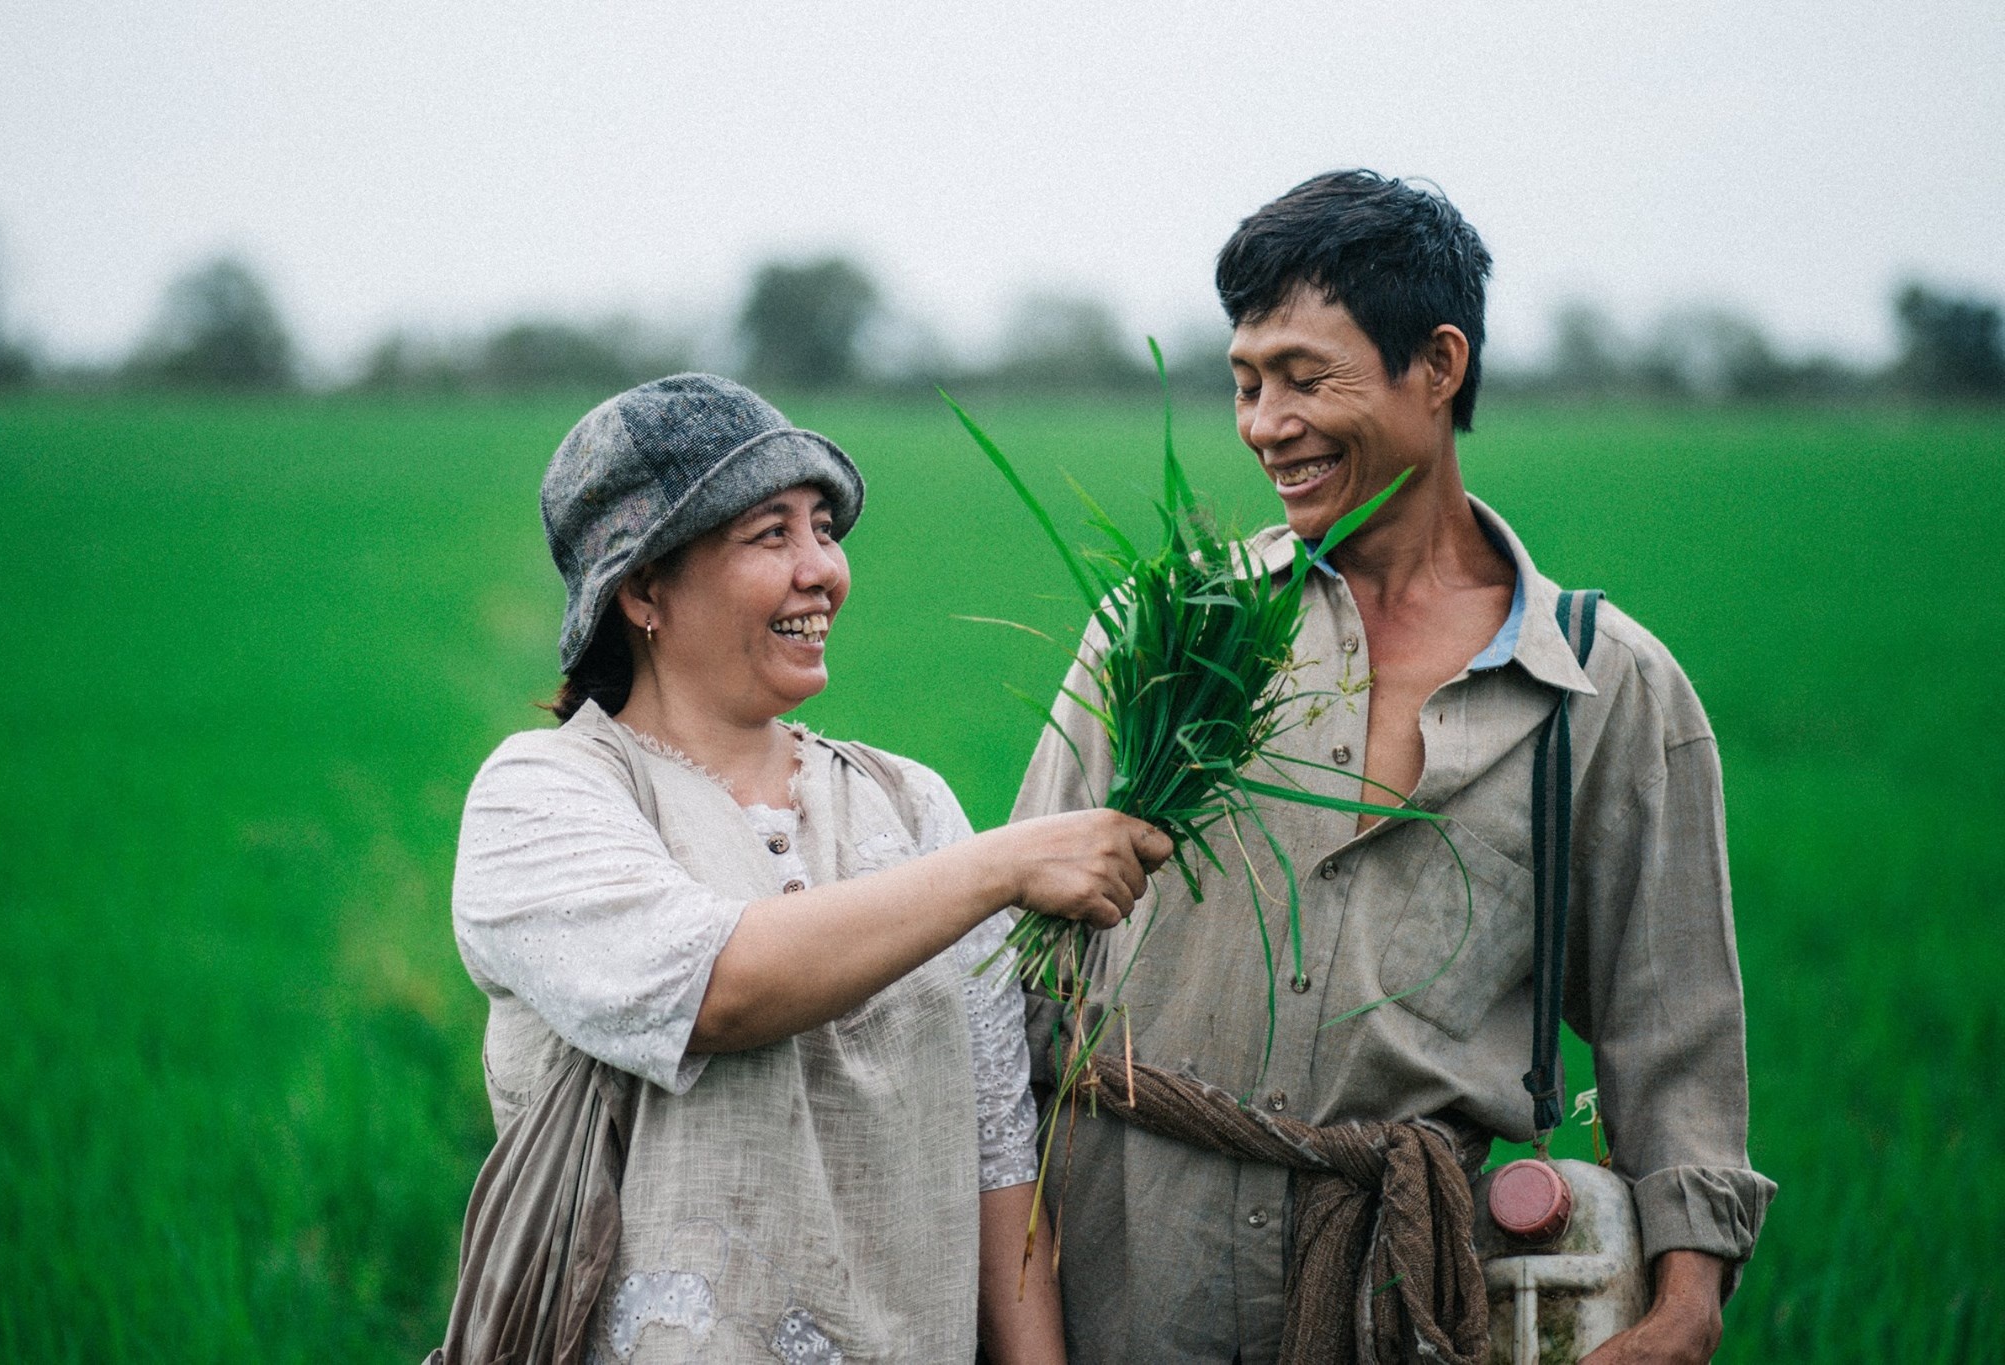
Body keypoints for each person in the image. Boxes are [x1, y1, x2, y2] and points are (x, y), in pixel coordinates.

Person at [1013, 171, 1776, 1363]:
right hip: (1133, 1274)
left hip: (1416, 1296)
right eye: (1245, 381)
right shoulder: (1165, 635)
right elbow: (1026, 975)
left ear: (1437, 364)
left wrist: (1684, 1304)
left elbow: (1668, 1022)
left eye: (1307, 378)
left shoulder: (1606, 686)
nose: (1266, 422)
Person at [450, 373, 1171, 1363]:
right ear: (643, 588)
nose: (821, 570)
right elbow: (715, 989)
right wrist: (1001, 866)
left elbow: (999, 1149)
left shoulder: (911, 805)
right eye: (767, 535)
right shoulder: (544, 796)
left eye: (821, 527)